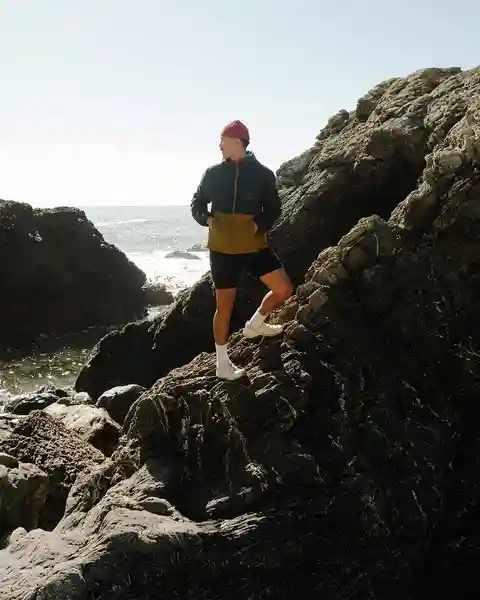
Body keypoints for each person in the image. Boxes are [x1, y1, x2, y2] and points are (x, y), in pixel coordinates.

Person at [190, 120, 293, 380]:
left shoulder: (263, 175)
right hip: (222, 250)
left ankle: (255, 324)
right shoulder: (213, 173)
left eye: (223, 141)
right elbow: (197, 202)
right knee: (224, 309)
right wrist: (206, 219)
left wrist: (259, 224)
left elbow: (274, 208)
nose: (219, 146)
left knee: (283, 289)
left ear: (237, 143)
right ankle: (222, 364)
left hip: (253, 246)